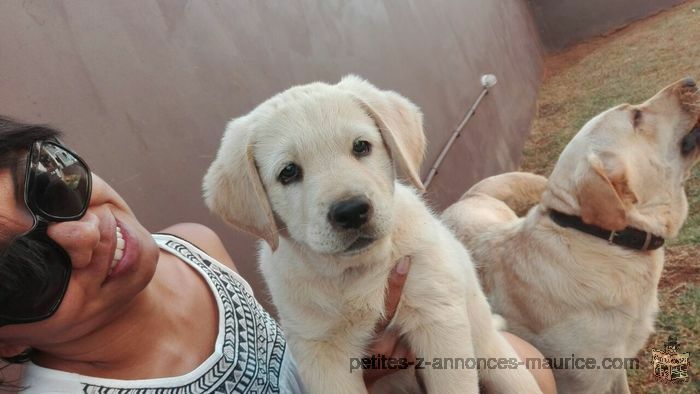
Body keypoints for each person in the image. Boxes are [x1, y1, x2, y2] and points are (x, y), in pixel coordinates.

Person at [0, 117, 555, 393]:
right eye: (22, 269)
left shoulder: (193, 248)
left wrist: (365, 356)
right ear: (7, 339)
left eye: (48, 181)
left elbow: (294, 354)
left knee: (515, 358)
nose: (82, 233)